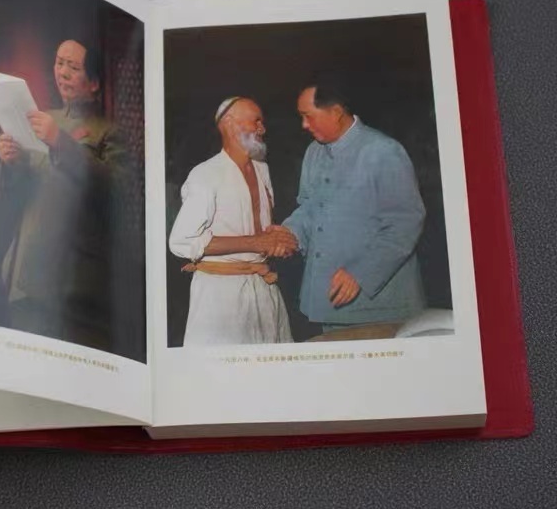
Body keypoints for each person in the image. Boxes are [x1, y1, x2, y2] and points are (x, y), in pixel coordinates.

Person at [0, 39, 138, 355]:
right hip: (23, 274)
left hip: (73, 284)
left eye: (73, 67)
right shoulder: (40, 120)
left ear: (94, 83)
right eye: (59, 63)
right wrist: (11, 162)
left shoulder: (108, 132)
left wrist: (61, 142)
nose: (62, 72)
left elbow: (116, 190)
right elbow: (16, 195)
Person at [273, 80, 426, 333]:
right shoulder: (313, 152)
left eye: (308, 116)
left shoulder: (383, 151)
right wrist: (289, 233)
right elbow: (309, 208)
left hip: (380, 307)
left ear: (335, 112)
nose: (304, 125)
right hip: (330, 302)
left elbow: (405, 223)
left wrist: (361, 273)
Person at [168, 97, 296, 346]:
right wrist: (257, 243)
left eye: (262, 122)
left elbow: (262, 231)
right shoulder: (205, 174)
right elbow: (181, 242)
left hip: (264, 288)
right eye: (255, 121)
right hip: (220, 298)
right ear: (229, 123)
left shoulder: (262, 169)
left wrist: (278, 242)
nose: (262, 129)